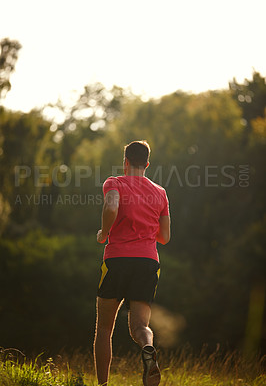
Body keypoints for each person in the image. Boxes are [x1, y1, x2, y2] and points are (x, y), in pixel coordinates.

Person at [94, 140, 170, 386]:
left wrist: (104, 233)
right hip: (147, 261)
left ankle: (103, 384)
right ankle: (148, 347)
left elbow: (112, 205)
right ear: (147, 164)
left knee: (105, 328)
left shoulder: (114, 182)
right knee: (140, 326)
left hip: (117, 259)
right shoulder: (160, 192)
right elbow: (165, 237)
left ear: (125, 162)